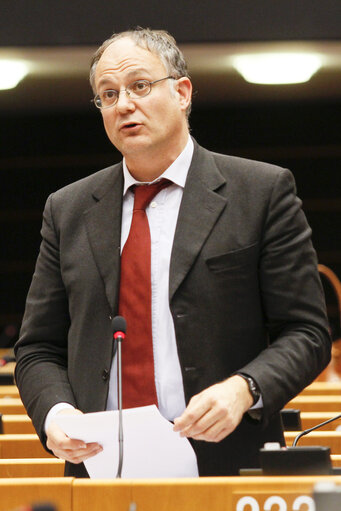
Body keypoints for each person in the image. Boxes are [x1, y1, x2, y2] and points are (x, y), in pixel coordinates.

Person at [15, 28, 331, 477]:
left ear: (182, 92)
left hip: (227, 462)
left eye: (140, 86)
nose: (124, 104)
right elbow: (38, 348)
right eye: (108, 94)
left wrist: (244, 389)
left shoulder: (259, 192)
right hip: (101, 468)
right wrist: (57, 413)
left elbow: (307, 332)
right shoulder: (67, 210)